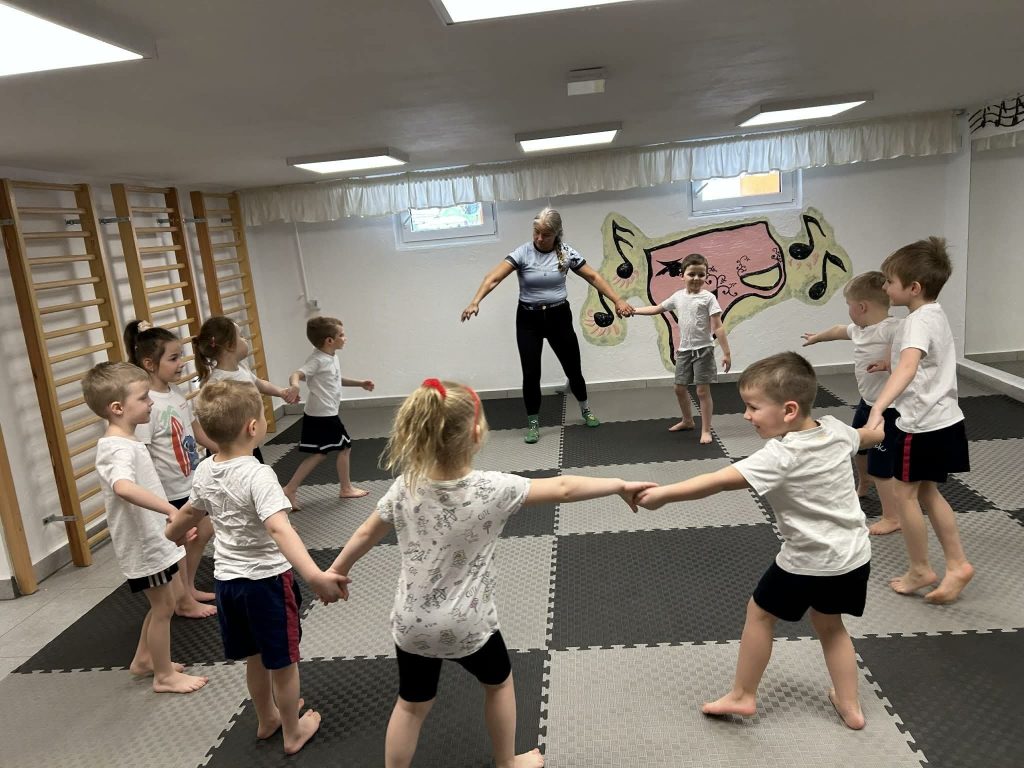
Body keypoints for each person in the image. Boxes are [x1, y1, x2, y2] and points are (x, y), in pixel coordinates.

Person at [328, 378, 653, 768]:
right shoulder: (493, 488)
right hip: (468, 624)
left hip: (412, 623)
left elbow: (366, 532)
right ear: (477, 433)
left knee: (411, 705)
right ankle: (506, 762)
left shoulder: (405, 487)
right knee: (498, 685)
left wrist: (336, 570)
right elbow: (564, 488)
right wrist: (618, 484)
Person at [637, 352, 884, 730]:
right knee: (831, 625)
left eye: (753, 407)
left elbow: (718, 481)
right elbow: (868, 435)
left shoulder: (780, 456)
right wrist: (881, 424)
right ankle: (850, 706)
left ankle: (742, 694)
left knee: (760, 614)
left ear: (788, 410)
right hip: (853, 556)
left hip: (807, 561)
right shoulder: (836, 430)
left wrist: (664, 495)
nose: (746, 416)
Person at [165, 380, 349, 755]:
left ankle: (267, 718)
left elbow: (191, 511)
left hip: (228, 584)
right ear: (253, 427)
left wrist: (172, 533)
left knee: (256, 657)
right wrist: (314, 575)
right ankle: (293, 731)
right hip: (266, 583)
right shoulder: (259, 474)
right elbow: (279, 528)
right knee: (283, 662)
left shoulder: (205, 469)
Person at [82, 361, 209, 694]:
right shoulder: (115, 448)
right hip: (144, 546)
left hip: (154, 539)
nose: (150, 402)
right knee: (164, 607)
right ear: (117, 408)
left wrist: (171, 526)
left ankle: (144, 660)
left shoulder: (129, 441)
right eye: (143, 398)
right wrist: (170, 510)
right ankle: (164, 675)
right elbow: (123, 487)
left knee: (166, 601)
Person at [460, 207, 633, 444]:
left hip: (558, 317)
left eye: (546, 234)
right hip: (528, 320)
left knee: (573, 368)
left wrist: (617, 300)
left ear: (556, 234)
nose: (539, 238)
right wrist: (475, 301)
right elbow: (493, 278)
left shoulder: (567, 253)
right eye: (536, 232)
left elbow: (593, 277)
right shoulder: (523, 253)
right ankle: (533, 422)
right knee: (531, 373)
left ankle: (585, 409)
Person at [866, 238, 974, 604]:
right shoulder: (934, 314)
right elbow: (925, 360)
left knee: (904, 495)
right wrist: (890, 363)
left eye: (889, 281)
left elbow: (911, 367)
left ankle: (920, 569)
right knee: (927, 491)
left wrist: (879, 407)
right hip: (945, 420)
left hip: (920, 426)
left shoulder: (914, 322)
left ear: (913, 287)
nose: (885, 287)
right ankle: (957, 564)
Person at [125, 319, 219, 617]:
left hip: (189, 482)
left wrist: (224, 450)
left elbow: (195, 431)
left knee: (203, 530)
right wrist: (154, 496)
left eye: (181, 356)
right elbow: (142, 453)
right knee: (178, 544)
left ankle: (187, 589)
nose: (182, 363)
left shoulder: (176, 394)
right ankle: (183, 601)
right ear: (149, 364)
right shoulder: (146, 404)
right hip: (167, 491)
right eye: (174, 358)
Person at [801, 271, 902, 535]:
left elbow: (910, 354)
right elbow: (837, 330)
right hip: (867, 402)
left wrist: (888, 362)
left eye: (849, 305)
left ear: (862, 307)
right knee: (858, 447)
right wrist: (816, 337)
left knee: (882, 465)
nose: (848, 311)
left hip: (889, 409)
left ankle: (892, 517)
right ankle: (865, 481)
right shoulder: (859, 330)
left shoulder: (893, 328)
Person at [632, 253, 731, 444]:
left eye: (701, 274)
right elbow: (656, 308)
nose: (696, 278)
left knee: (702, 391)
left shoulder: (709, 298)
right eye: (692, 274)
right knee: (679, 388)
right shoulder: (678, 297)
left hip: (704, 350)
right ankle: (688, 420)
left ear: (706, 276)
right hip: (684, 351)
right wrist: (633, 310)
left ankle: (706, 429)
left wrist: (726, 353)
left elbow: (718, 326)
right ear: (682, 275)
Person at [281, 316, 375, 510]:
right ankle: (345, 488)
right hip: (323, 415)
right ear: (330, 340)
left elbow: (336, 379)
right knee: (344, 447)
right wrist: (295, 386)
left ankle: (290, 488)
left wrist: (360, 383)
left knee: (321, 453)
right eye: (342, 335)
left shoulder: (331, 357)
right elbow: (296, 374)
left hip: (322, 413)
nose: (345, 338)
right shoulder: (317, 360)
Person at [193, 316, 299, 462]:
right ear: (230, 345)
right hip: (231, 449)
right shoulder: (217, 382)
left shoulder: (242, 368)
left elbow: (260, 384)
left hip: (248, 441)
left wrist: (281, 392)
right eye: (241, 336)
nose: (245, 339)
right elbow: (209, 420)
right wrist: (224, 451)